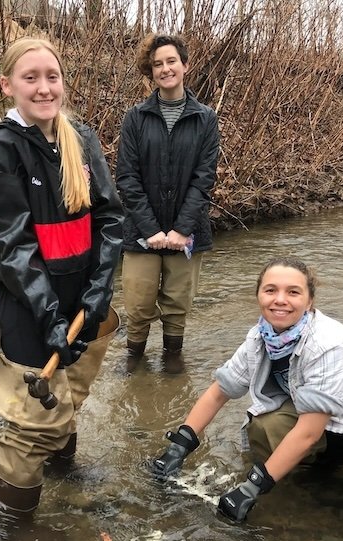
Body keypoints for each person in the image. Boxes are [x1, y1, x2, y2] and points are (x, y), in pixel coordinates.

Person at [153, 257, 343, 541]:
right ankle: (319, 482)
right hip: (329, 429)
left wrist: (251, 487)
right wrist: (180, 445)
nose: (280, 300)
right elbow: (219, 391)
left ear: (310, 301)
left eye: (293, 292)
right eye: (270, 290)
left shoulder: (329, 343)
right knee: (265, 426)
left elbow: (308, 432)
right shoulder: (259, 337)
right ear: (258, 296)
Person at [0, 37, 124, 541]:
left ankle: (64, 467)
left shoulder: (82, 139)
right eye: (31, 78)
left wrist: (98, 291)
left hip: (82, 298)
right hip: (28, 307)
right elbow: (11, 250)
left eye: (52, 76)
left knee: (74, 389)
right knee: (34, 417)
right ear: (8, 85)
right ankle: (9, 520)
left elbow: (110, 218)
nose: (45, 87)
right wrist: (50, 315)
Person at [116, 33, 220, 374]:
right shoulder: (135, 118)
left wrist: (180, 229)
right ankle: (135, 362)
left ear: (185, 66)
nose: (165, 69)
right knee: (138, 303)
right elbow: (127, 179)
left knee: (177, 305)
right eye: (157, 64)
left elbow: (203, 179)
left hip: (187, 232)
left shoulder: (206, 119)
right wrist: (152, 230)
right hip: (141, 233)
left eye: (171, 61)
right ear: (151, 71)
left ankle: (173, 360)